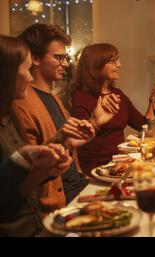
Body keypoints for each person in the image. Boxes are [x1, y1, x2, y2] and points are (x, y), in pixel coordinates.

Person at [12, 23, 105, 210]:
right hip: (59, 204)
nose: (65, 64)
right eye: (58, 58)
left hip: (79, 186)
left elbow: (66, 147)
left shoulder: (55, 97)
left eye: (66, 58)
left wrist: (94, 123)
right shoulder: (22, 104)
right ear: (35, 58)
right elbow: (27, 173)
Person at [0, 35, 73, 236]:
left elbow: (17, 195)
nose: (30, 77)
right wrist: (21, 159)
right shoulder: (18, 109)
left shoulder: (6, 117)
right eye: (25, 69)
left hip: (36, 227)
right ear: (6, 73)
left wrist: (44, 168)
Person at [70, 43, 155, 175]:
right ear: (95, 64)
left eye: (118, 61)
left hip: (119, 163)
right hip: (94, 169)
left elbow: (144, 125)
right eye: (113, 61)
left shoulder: (118, 94)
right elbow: (77, 140)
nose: (119, 65)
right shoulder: (81, 97)